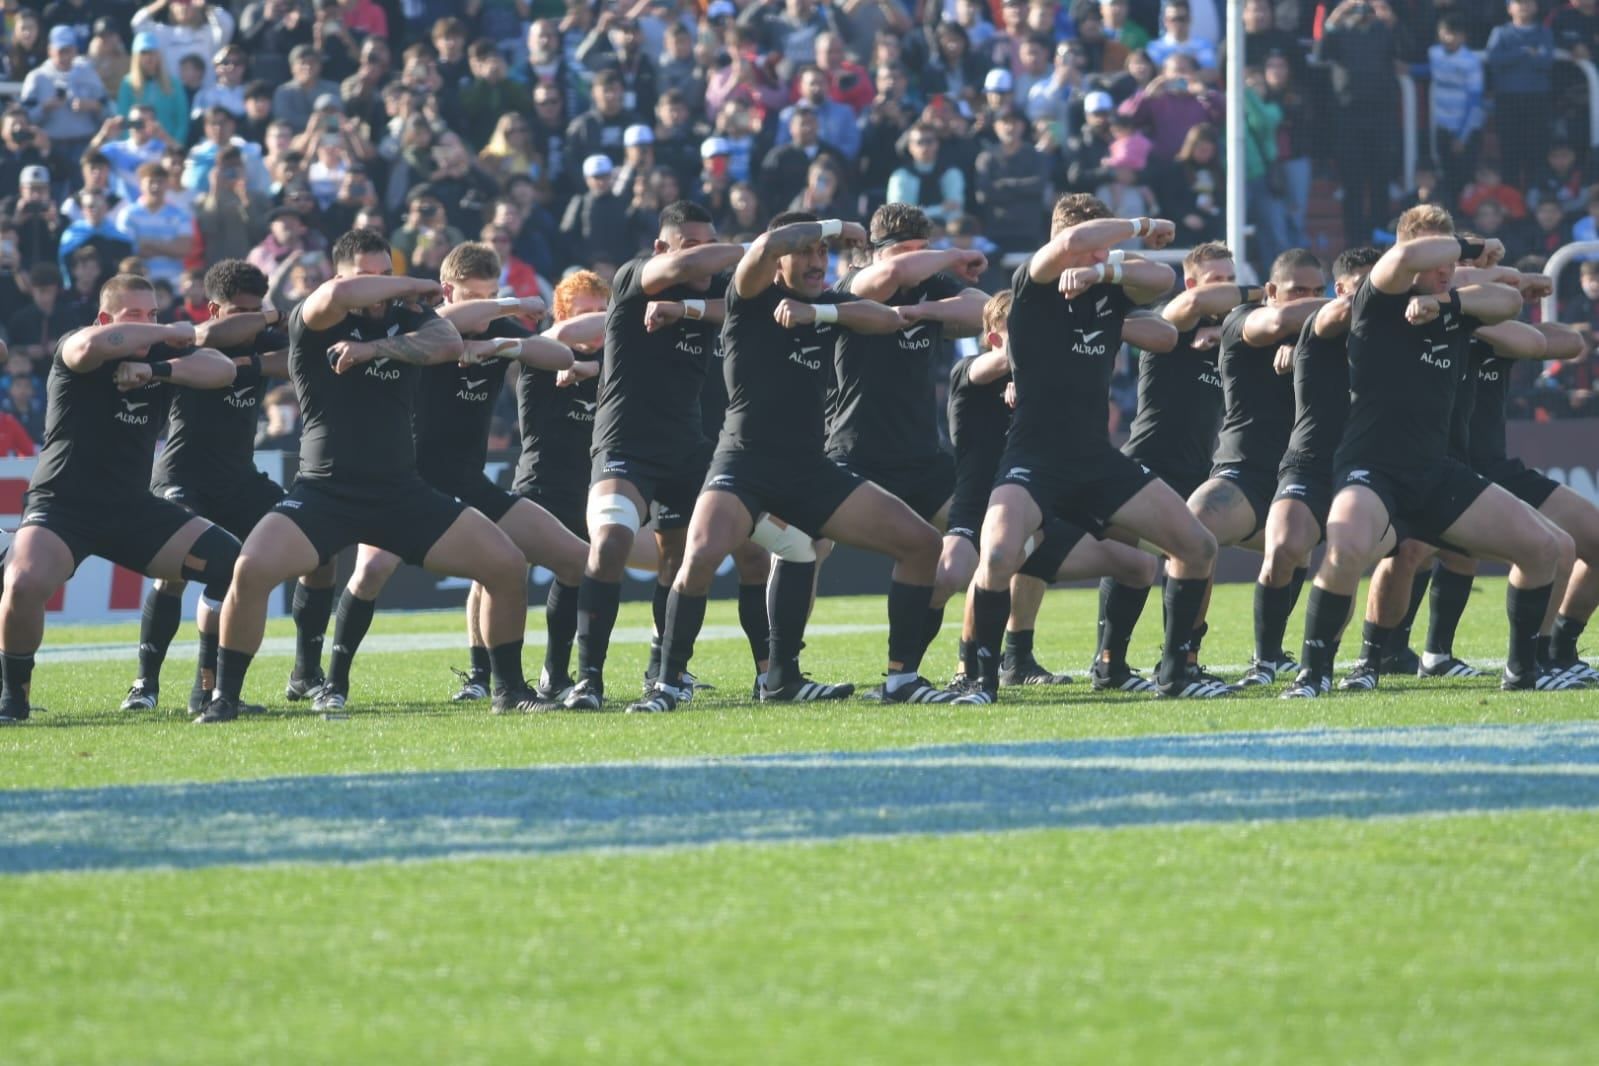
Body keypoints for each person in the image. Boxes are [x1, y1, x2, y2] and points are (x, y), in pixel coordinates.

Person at [198, 228, 546, 723]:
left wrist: (375, 349)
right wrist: (408, 284)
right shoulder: (314, 318)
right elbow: (341, 295)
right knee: (250, 571)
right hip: (324, 490)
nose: (381, 288)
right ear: (341, 276)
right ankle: (225, 698)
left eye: (387, 274)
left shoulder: (407, 317)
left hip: (400, 491)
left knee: (507, 565)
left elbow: (447, 341)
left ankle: (508, 689)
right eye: (370, 277)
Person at [636, 211, 979, 712]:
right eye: (807, 253)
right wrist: (829, 226)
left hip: (808, 469)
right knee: (701, 554)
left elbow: (886, 319)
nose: (819, 262)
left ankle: (897, 680)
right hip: (743, 463)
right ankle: (666, 683)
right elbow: (761, 247)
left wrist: (821, 315)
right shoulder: (751, 298)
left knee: (922, 544)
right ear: (780, 262)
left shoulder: (827, 304)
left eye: (823, 254)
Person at [1284, 207, 1573, 698]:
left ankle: (1522, 671)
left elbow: (1507, 304)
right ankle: (1314, 673)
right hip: (1369, 466)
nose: (1445, 266)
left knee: (1543, 548)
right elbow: (1413, 256)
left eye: (1449, 257)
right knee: (1347, 547)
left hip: (1436, 471)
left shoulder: (1452, 306)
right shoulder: (1377, 297)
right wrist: (1466, 247)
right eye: (1438, 254)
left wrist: (1452, 302)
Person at [299, 244, 594, 712]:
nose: (486, 306)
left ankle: (548, 680)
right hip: (409, 484)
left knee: (576, 560)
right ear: (447, 292)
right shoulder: (426, 325)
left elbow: (558, 356)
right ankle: (332, 684)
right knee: (371, 570)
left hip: (469, 483)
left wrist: (501, 344)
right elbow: (454, 327)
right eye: (474, 295)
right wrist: (508, 304)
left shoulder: (495, 330)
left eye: (491, 293)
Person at [965, 195, 1228, 702]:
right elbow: (1070, 244)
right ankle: (981, 679)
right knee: (996, 555)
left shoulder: (1108, 292)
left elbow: (1162, 282)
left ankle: (1175, 674)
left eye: (1105, 246)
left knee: (1198, 547)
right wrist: (1140, 223)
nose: (1099, 254)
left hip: (1095, 459)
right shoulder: (1034, 285)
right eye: (1096, 244)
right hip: (1032, 458)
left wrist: (1104, 273)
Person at [0, 274, 239, 724]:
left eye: (154, 314)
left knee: (236, 564)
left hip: (132, 509)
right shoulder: (78, 347)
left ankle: (207, 690)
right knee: (23, 585)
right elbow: (90, 348)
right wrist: (169, 331)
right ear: (106, 319)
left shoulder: (158, 356)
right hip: (62, 507)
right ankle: (13, 698)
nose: (149, 325)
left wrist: (158, 369)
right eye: (136, 316)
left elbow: (222, 370)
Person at [120, 259, 336, 714]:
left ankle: (302, 673)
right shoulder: (191, 337)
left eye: (258, 309)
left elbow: (305, 363)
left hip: (239, 481)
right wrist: (271, 317)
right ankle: (145, 685)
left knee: (321, 550)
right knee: (174, 575)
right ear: (215, 309)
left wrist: (253, 359)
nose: (253, 320)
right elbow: (205, 339)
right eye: (242, 311)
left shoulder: (259, 342)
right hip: (182, 479)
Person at [565, 201, 746, 711]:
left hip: (687, 448)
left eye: (712, 244)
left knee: (688, 557)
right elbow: (691, 271)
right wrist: (763, 248)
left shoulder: (709, 290)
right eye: (694, 245)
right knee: (610, 543)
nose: (706, 259)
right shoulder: (632, 279)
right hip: (624, 442)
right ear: (661, 249)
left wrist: (688, 309)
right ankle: (588, 680)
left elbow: (739, 307)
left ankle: (665, 671)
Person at [942, 290, 1168, 690]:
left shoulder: (1049, 387)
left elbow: (1160, 332)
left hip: (1039, 515)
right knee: (989, 560)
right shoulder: (971, 374)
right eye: (1026, 330)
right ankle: (964, 670)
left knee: (1140, 566)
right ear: (995, 338)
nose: (1042, 338)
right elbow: (987, 369)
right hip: (982, 517)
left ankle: (1102, 665)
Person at [1098, 241, 1240, 690]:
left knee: (1204, 552)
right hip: (1148, 462)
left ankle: (1184, 659)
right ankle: (1109, 663)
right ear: (1194, 283)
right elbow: (1192, 308)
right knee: (1130, 559)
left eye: (1231, 281)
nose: (1228, 292)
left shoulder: (1235, 337)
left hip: (1200, 469)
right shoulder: (1168, 321)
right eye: (1219, 281)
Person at [1184, 249, 1328, 684]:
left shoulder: (1328, 335)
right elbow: (1279, 323)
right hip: (1243, 473)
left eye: (1318, 292)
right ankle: (1181, 660)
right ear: (1270, 292)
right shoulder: (1241, 319)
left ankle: (1272, 656)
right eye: (1298, 292)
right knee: (1197, 530)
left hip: (1300, 474)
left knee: (1297, 544)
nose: (1309, 301)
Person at [1259, 246, 1381, 687]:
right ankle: (1265, 660)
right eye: (1364, 285)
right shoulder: (1321, 323)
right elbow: (1334, 316)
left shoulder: (1394, 331)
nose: (1374, 293)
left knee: (1352, 557)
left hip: (1365, 466)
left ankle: (1351, 663)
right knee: (1282, 550)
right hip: (1308, 463)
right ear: (1341, 288)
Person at [113, 162, 193, 287]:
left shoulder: (180, 215)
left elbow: (184, 248)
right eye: (151, 182)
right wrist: (168, 248)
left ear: (167, 184)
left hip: (173, 286)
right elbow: (127, 250)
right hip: (138, 287)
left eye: (160, 182)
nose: (155, 186)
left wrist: (150, 243)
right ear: (141, 185)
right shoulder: (128, 215)